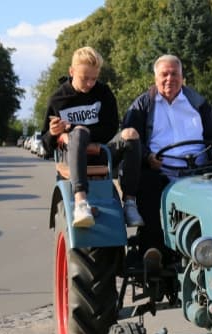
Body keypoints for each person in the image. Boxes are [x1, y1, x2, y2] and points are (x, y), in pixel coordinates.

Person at [122, 55, 212, 266]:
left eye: (174, 74)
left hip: (199, 171)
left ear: (182, 77)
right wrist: (147, 156)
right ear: (155, 77)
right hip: (160, 170)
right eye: (164, 74)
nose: (169, 79)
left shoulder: (198, 103)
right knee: (148, 187)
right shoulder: (143, 105)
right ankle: (153, 251)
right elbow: (131, 140)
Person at [42, 46, 143, 229]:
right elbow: (46, 146)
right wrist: (53, 133)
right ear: (72, 72)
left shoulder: (104, 93)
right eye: (84, 78)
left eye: (94, 79)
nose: (90, 83)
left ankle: (129, 202)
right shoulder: (57, 100)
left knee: (131, 134)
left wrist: (77, 128)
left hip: (102, 153)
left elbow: (111, 129)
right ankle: (81, 202)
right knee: (79, 132)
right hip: (71, 157)